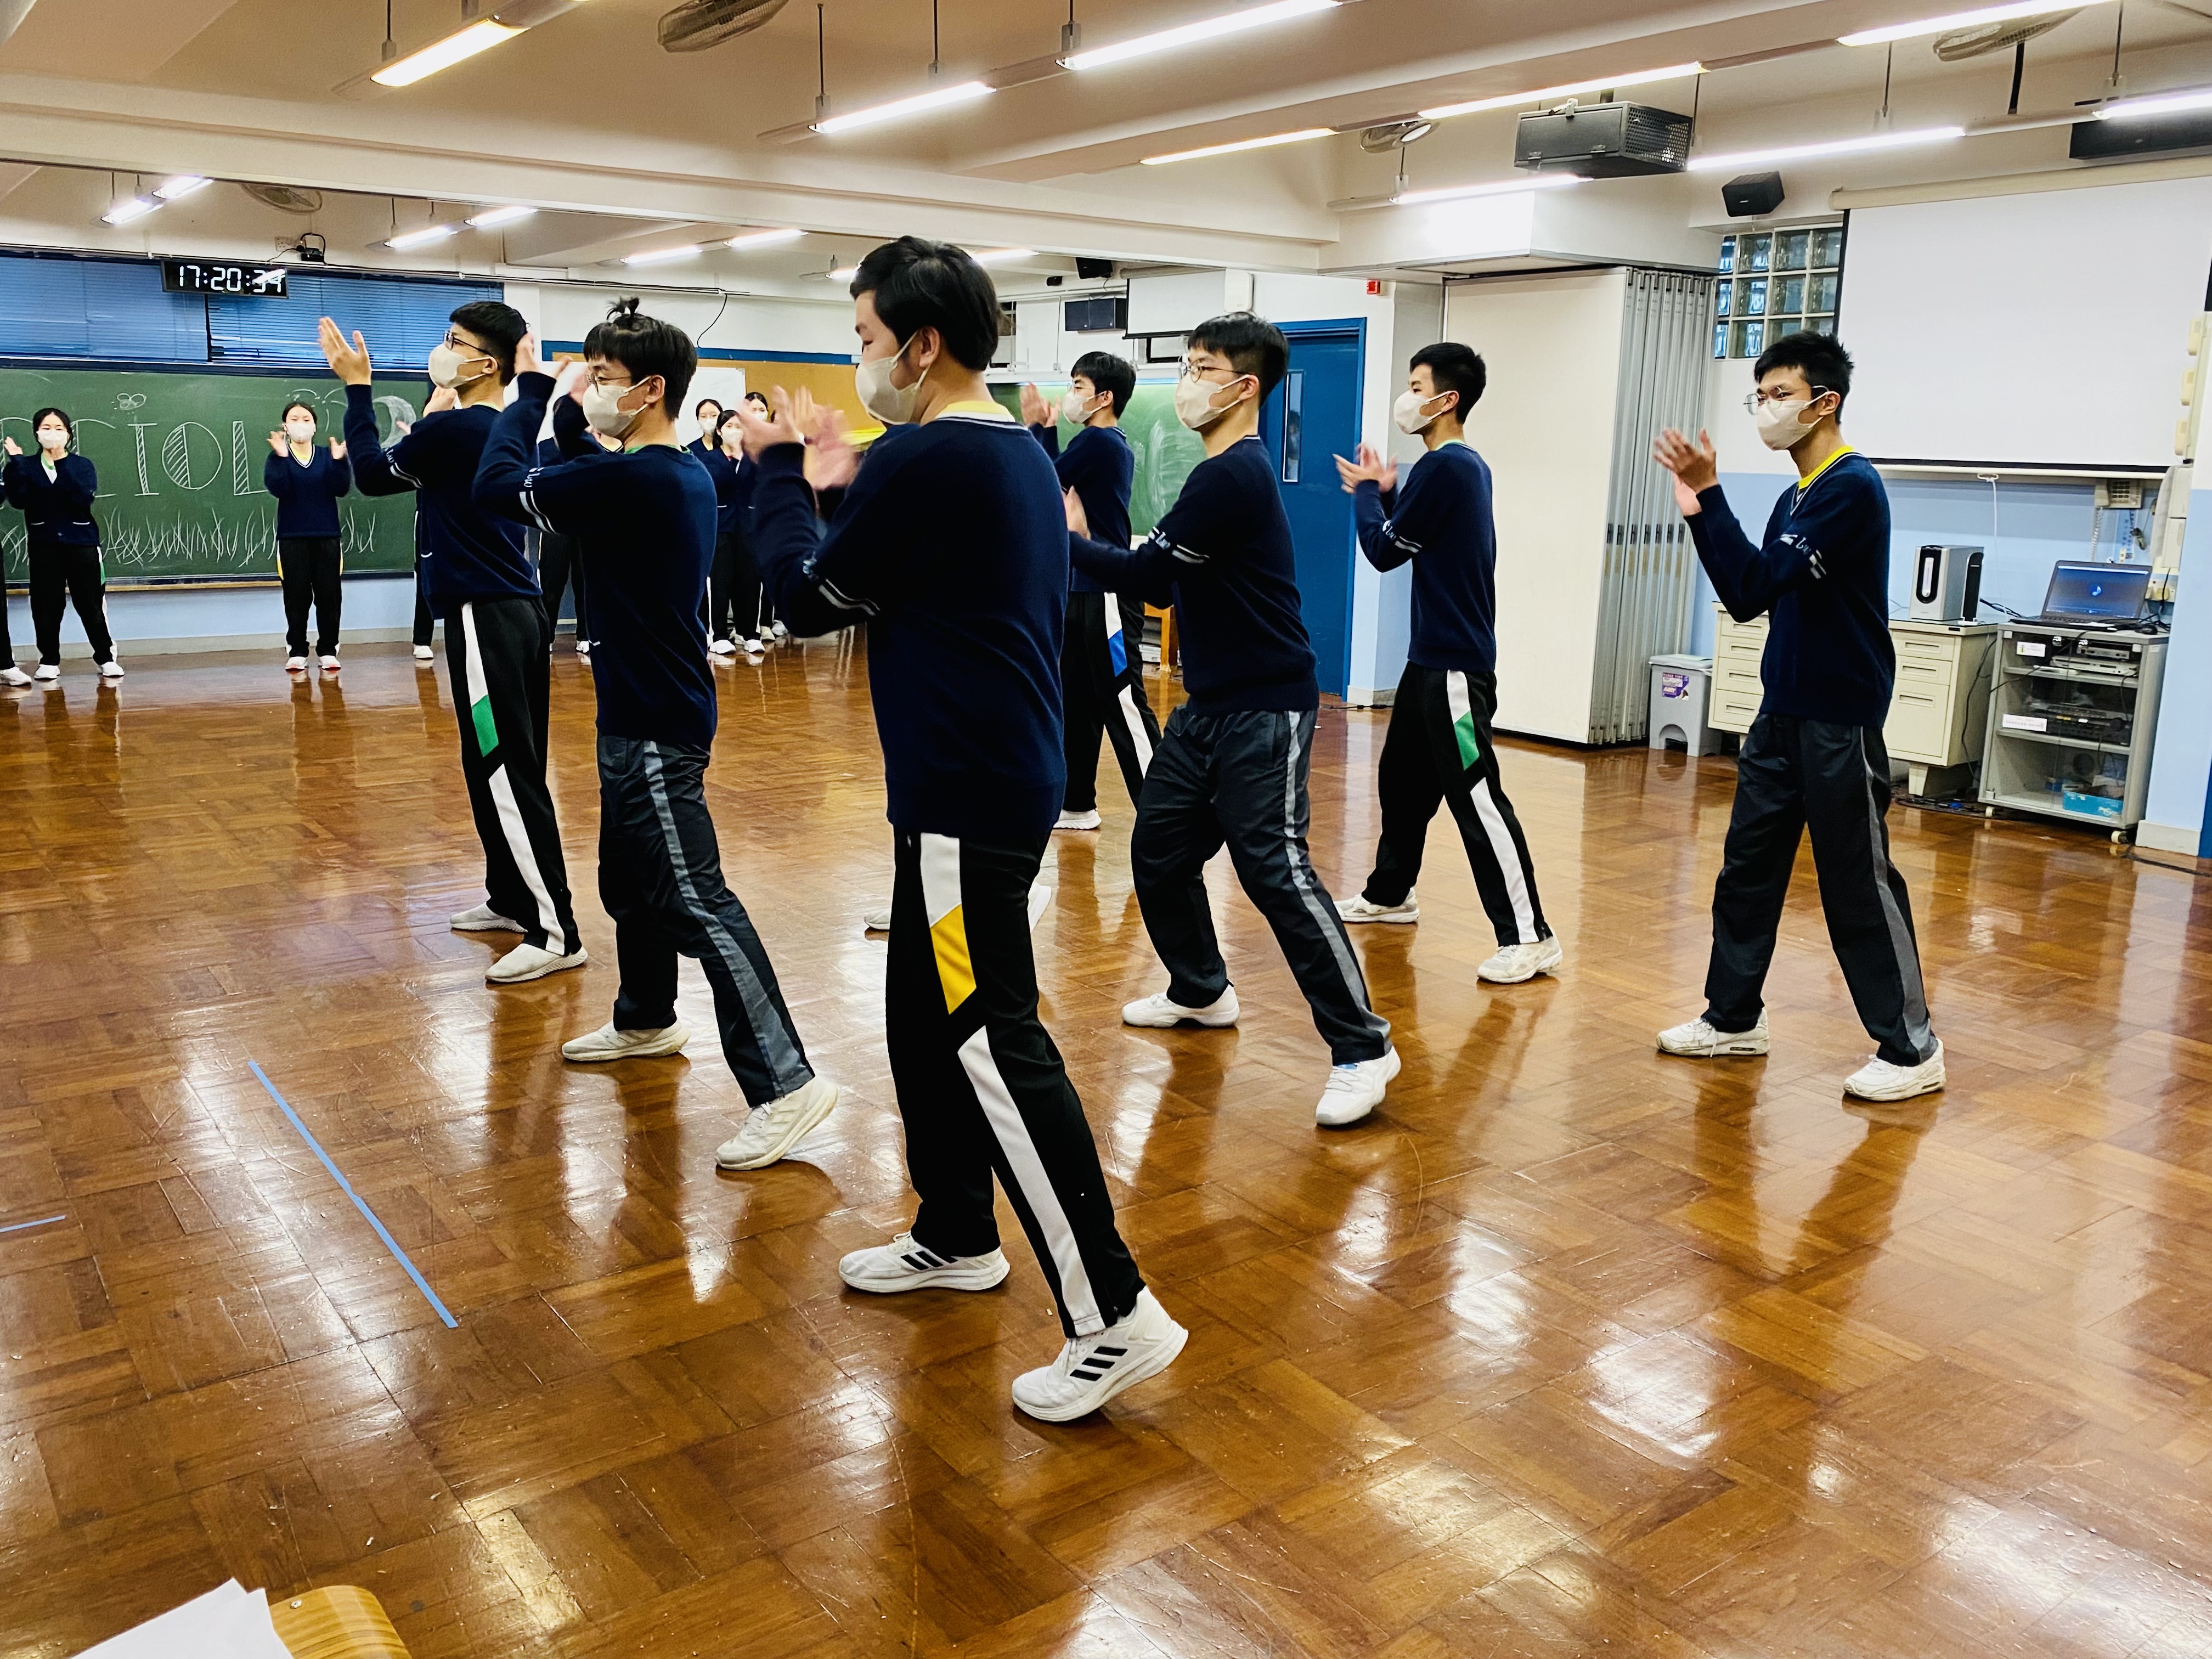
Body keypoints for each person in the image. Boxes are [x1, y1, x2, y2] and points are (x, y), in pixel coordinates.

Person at [737, 236, 1183, 1424]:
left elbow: (804, 602)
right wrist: (839, 485)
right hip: (979, 779)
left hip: (966, 796)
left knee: (986, 1032)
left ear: (923, 345)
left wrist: (777, 472)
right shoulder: (1008, 452)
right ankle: (956, 1229)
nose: (860, 362)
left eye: (867, 341)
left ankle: (1115, 1309)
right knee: (919, 1014)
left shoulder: (931, 454)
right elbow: (913, 565)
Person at [474, 300, 837, 1171]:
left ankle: (787, 1084)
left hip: (656, 724)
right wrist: (571, 408)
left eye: (604, 378)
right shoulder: (654, 472)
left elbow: (498, 489)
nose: (592, 389)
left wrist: (532, 393)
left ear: (650, 391)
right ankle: (646, 1017)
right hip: (638, 710)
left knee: (693, 898)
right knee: (631, 884)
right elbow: (577, 465)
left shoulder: (643, 480)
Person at [1068, 313, 1396, 1128]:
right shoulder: (1215, 473)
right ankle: (1200, 989)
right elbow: (1166, 576)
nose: (1187, 382)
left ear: (1244, 387)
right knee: (1159, 849)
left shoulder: (1233, 475)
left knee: (1274, 869)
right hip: (1209, 707)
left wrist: (1069, 539)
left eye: (1201, 368)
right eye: (1186, 365)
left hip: (1266, 705)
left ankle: (1363, 1046)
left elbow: (1148, 574)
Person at [1651, 331, 1944, 1103]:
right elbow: (1748, 593)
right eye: (1761, 396)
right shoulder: (1794, 497)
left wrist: (1712, 496)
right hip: (1779, 712)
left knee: (1856, 884)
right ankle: (1733, 1018)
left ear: (1825, 402)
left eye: (1780, 394)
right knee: (1746, 872)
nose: (1767, 408)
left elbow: (1759, 579)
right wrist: (1702, 509)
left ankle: (1912, 1048)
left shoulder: (1852, 487)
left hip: (1839, 718)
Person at [325, 302, 586, 986]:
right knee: (490, 762)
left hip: (484, 617)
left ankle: (556, 931)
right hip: (514, 613)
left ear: (487, 364)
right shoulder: (498, 428)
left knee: (504, 769)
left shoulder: (458, 430)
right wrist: (432, 416)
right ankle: (510, 897)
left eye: (454, 342)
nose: (442, 351)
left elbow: (371, 473)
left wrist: (358, 389)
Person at [1331, 343, 1561, 985]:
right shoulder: (1457, 467)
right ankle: (1390, 894)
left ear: (1447, 399)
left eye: (1416, 386)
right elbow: (1414, 531)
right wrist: (1388, 493)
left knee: (1476, 794)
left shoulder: (1447, 467)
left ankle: (1530, 936)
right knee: (1402, 782)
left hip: (1455, 672)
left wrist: (1367, 492)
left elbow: (1384, 551)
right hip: (1428, 663)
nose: (1407, 397)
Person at [1020, 353, 1159, 831]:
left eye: (1079, 386)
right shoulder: (1092, 443)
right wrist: (1045, 432)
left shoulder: (1101, 442)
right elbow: (1054, 485)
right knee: (1076, 701)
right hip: (1081, 588)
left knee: (1122, 700)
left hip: (1108, 594)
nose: (1071, 395)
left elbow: (1044, 483)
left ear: (1104, 398)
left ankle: (1166, 812)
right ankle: (1077, 803)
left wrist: (1038, 428)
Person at [2, 409, 120, 681]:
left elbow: (82, 498)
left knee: (90, 604)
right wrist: (17, 463)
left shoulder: (81, 465)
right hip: (44, 545)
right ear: (37, 433)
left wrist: (60, 463)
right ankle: (49, 661)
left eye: (59, 428)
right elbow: (19, 500)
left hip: (82, 543)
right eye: (46, 428)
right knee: (46, 606)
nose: (52, 433)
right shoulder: (25, 466)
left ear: (68, 434)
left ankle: (105, 658)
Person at [263, 401, 352, 674]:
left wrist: (339, 462)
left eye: (306, 419)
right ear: (285, 426)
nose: (300, 424)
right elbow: (278, 489)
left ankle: (328, 650)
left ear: (314, 426)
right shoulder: (278, 456)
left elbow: (341, 488)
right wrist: (281, 457)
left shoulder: (328, 455)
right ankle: (297, 651)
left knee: (329, 596)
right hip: (292, 537)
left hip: (327, 536)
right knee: (296, 596)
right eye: (294, 419)